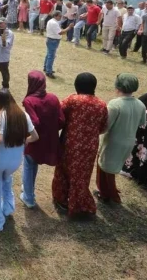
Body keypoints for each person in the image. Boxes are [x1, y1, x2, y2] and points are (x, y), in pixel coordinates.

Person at [52, 73, 109, 216]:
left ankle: (62, 200)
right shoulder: (101, 104)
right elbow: (102, 126)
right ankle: (81, 204)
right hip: (90, 146)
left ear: (77, 85)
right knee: (82, 176)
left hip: (70, 143)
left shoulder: (73, 100)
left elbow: (59, 117)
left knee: (63, 171)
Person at [0, 89, 38, 231]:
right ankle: (8, 207)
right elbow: (35, 137)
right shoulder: (23, 115)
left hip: (0, 158)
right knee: (7, 180)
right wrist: (22, 140)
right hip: (15, 160)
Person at [96, 73, 146, 203]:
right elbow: (142, 122)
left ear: (118, 86)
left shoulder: (115, 104)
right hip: (129, 141)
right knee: (110, 166)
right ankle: (105, 190)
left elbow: (106, 125)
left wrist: (95, 131)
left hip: (113, 141)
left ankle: (110, 194)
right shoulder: (140, 104)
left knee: (106, 168)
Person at [20, 71, 64, 208]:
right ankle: (28, 188)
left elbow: (34, 122)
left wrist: (27, 136)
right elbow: (61, 120)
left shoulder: (29, 101)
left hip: (34, 141)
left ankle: (28, 197)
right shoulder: (53, 98)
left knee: (28, 165)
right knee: (34, 165)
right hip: (50, 140)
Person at [44, 11, 73, 78]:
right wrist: (69, 27)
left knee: (49, 55)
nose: (61, 17)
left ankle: (46, 68)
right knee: (51, 56)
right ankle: (48, 72)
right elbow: (60, 32)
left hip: (51, 40)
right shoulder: (54, 23)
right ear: (55, 16)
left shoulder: (51, 21)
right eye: (59, 16)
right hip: (53, 40)